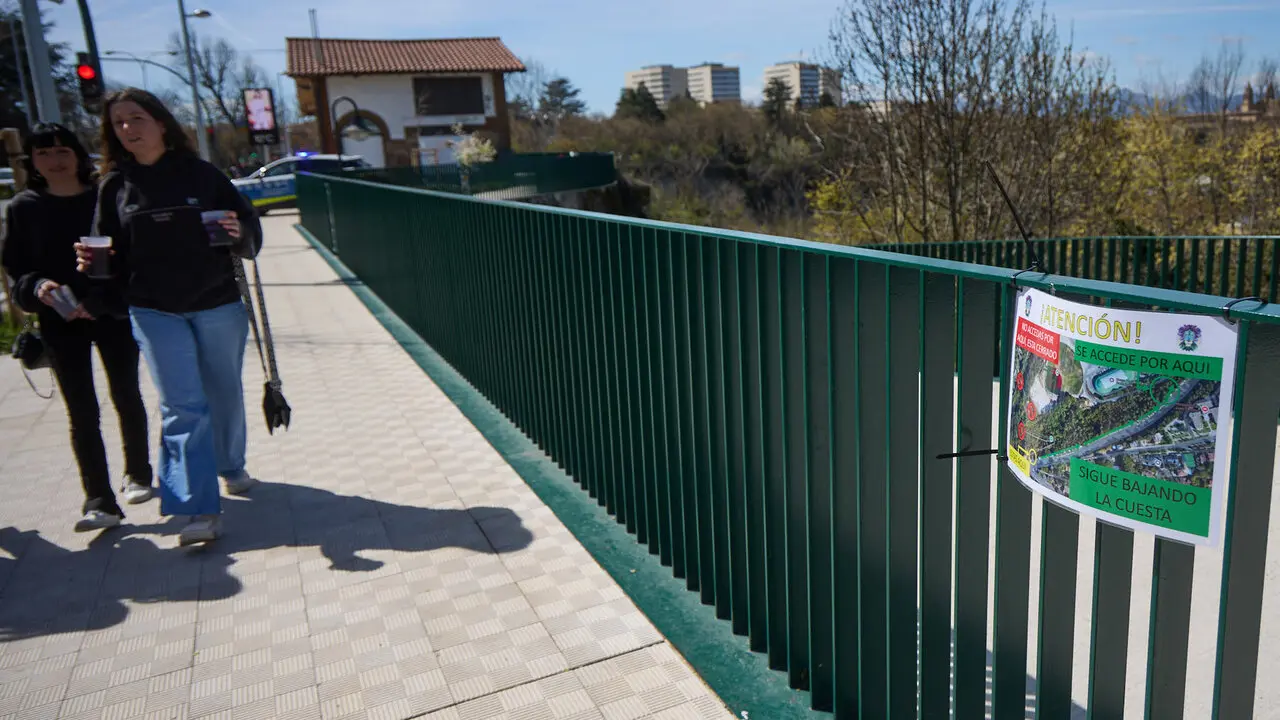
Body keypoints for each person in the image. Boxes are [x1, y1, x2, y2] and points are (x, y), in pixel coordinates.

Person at [78, 88, 263, 546]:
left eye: (136, 118)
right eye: (118, 123)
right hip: (154, 310)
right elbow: (108, 255)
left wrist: (240, 232)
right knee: (182, 407)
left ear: (161, 123)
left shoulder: (202, 175)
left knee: (222, 394)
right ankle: (197, 508)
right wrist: (91, 263)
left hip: (217, 303)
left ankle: (230, 463)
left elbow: (248, 231)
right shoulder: (114, 188)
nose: (128, 129)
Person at [1, 123, 154, 532]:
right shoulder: (23, 207)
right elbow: (16, 272)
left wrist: (98, 299)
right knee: (81, 410)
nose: (55, 159)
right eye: (44, 153)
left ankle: (138, 473)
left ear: (78, 154)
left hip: (111, 313)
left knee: (126, 394)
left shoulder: (103, 195)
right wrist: (40, 287)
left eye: (62, 150)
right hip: (59, 320)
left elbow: (127, 254)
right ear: (31, 161)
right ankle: (99, 499)